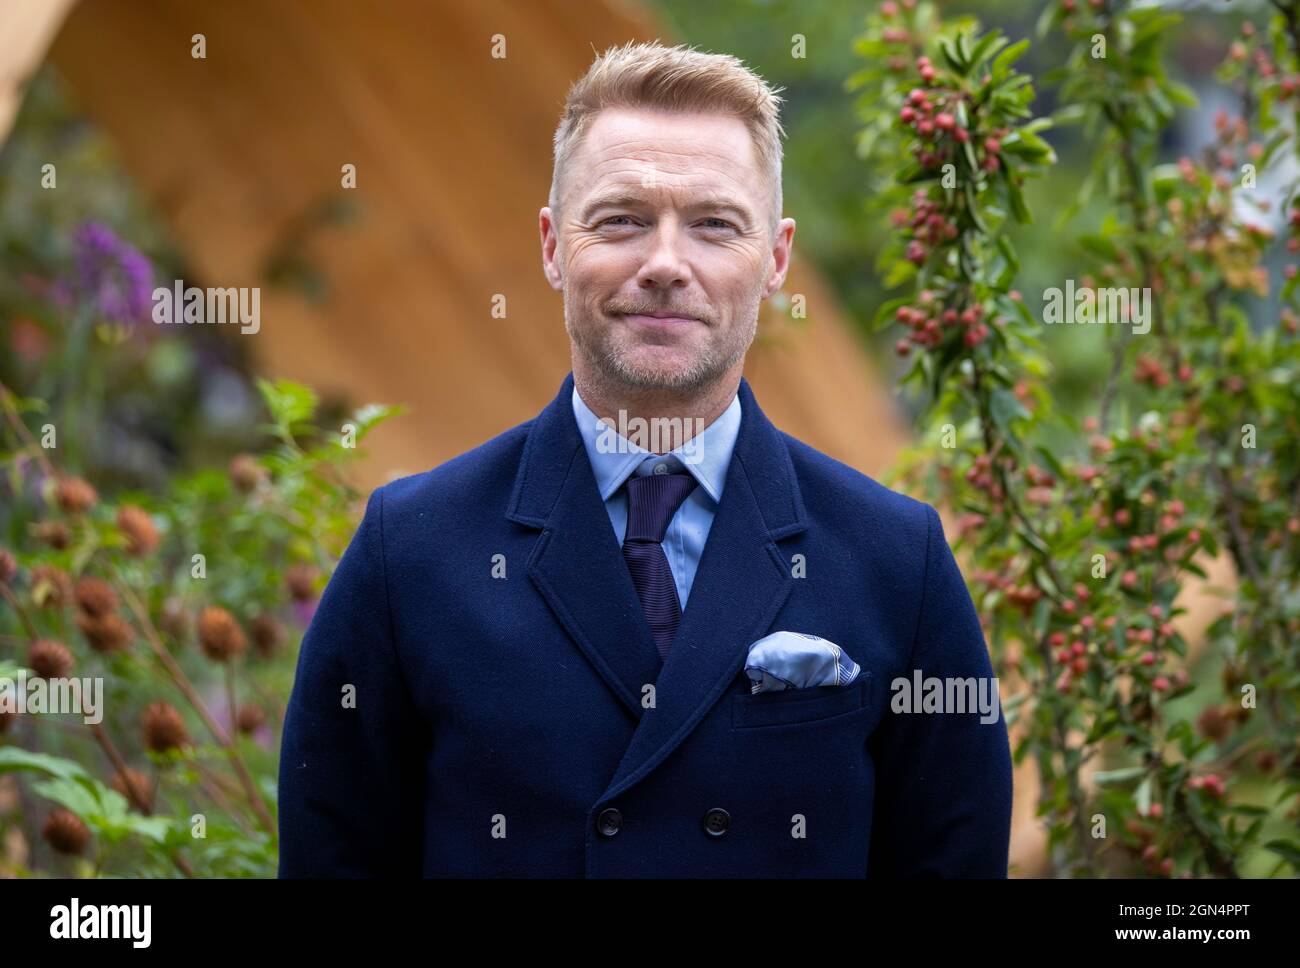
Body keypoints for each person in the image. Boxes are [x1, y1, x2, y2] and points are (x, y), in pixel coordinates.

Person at [278, 40, 1012, 878]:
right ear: (554, 246)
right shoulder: (407, 553)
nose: (666, 264)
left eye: (714, 224)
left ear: (775, 258)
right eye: (622, 218)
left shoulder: (897, 561)